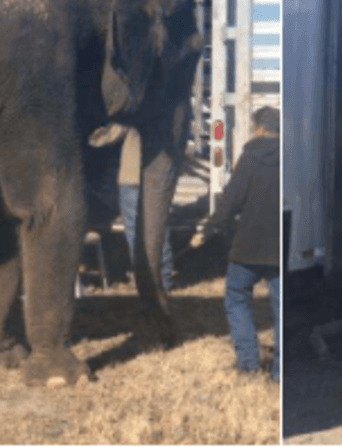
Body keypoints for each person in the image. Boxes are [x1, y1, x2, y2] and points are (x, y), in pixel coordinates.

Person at [190, 106, 280, 382]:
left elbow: (231, 201)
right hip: (281, 248)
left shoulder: (250, 157)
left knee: (237, 298)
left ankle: (249, 365)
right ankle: (278, 374)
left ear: (258, 129)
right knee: (281, 308)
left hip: (248, 247)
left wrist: (208, 230)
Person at [89, 124, 175, 291]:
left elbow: (111, 135)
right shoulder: (168, 109)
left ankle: (145, 278)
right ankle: (164, 278)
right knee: (158, 227)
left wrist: (90, 136)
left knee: (135, 232)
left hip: (132, 178)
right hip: (158, 177)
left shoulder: (135, 108)